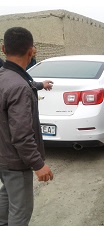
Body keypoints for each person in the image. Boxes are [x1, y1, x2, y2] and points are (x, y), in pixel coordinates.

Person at [0, 27, 54, 226]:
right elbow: (22, 135)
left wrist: (41, 85)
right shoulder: (19, 87)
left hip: (3, 157)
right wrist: (38, 164)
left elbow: (22, 83)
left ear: (3, 49)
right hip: (15, 161)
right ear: (32, 51)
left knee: (8, 195)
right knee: (21, 213)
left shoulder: (5, 77)